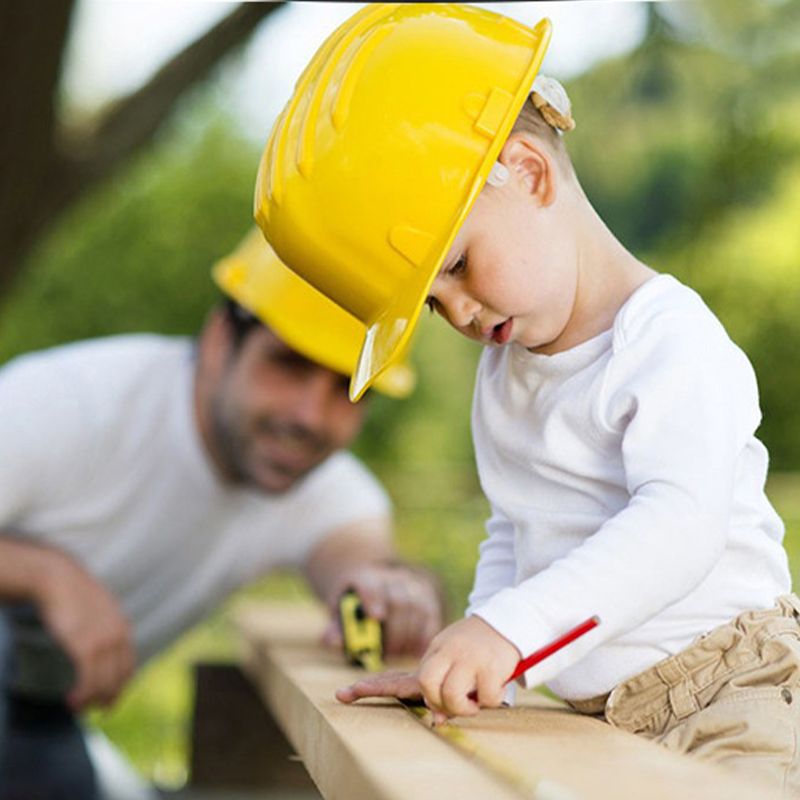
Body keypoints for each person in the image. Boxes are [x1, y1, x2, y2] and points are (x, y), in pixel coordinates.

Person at [252, 5, 799, 794]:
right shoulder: (506, 376)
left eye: (458, 266)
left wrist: (510, 633)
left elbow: (681, 526)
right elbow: (517, 527)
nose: (460, 313)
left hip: (734, 693)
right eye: (433, 304)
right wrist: (479, 663)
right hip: (603, 712)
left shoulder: (667, 340)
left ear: (531, 173)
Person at [0, 228, 443, 799]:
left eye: (351, 389)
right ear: (217, 341)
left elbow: (364, 562)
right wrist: (44, 574)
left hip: (38, 730)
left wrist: (395, 591)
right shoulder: (68, 403)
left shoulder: (320, 484)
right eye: (288, 364)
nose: (312, 414)